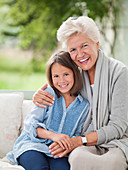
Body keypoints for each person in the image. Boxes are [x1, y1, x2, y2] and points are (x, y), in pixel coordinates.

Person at [33, 16, 128, 170]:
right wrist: (39, 94)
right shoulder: (74, 74)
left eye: (84, 45)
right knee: (77, 157)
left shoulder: (119, 72)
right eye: (73, 50)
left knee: (112, 162)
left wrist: (77, 141)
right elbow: (57, 85)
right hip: (84, 139)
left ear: (96, 44)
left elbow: (118, 126)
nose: (80, 54)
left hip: (116, 140)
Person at [7, 51, 89, 170]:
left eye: (66, 74)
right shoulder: (47, 95)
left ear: (75, 73)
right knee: (38, 167)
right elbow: (31, 125)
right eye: (56, 76)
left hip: (58, 151)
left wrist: (66, 143)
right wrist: (54, 136)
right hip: (32, 146)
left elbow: (79, 133)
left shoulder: (84, 105)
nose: (61, 80)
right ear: (51, 77)